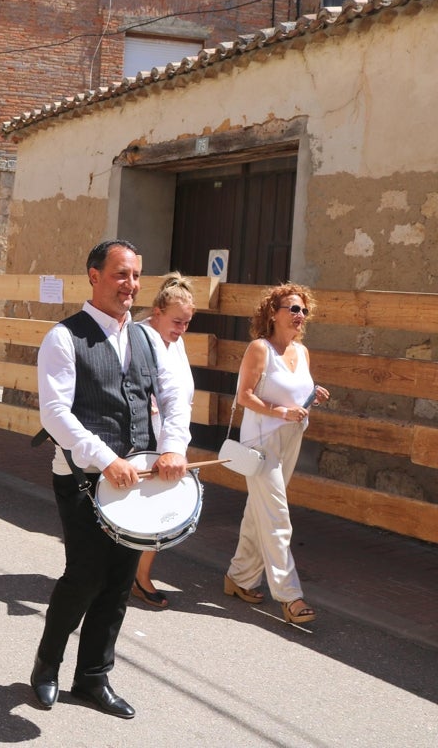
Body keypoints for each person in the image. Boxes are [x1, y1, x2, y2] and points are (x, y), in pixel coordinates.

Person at [30, 239, 189, 720]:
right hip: (81, 478)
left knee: (120, 580)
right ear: (94, 276)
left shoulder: (146, 338)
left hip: (137, 479)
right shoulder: (64, 337)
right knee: (85, 575)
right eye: (121, 274)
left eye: (136, 276)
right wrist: (103, 458)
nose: (131, 285)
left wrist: (174, 446)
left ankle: (93, 677)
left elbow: (173, 396)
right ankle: (46, 667)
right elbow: (56, 413)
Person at [225, 284, 329, 624]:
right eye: (293, 309)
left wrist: (313, 396)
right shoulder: (260, 349)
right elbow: (244, 396)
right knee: (277, 518)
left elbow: (297, 392)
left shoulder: (302, 352)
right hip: (262, 441)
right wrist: (280, 412)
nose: (300, 316)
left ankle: (238, 578)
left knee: (261, 512)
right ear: (274, 312)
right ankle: (290, 596)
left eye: (304, 311)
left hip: (292, 437)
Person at [132, 273, 197, 609]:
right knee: (141, 509)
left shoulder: (176, 342)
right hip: (142, 437)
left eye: (187, 323)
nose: (181, 328)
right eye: (177, 321)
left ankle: (137, 575)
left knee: (155, 510)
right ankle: (135, 577)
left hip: (167, 436)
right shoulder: (139, 336)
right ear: (156, 311)